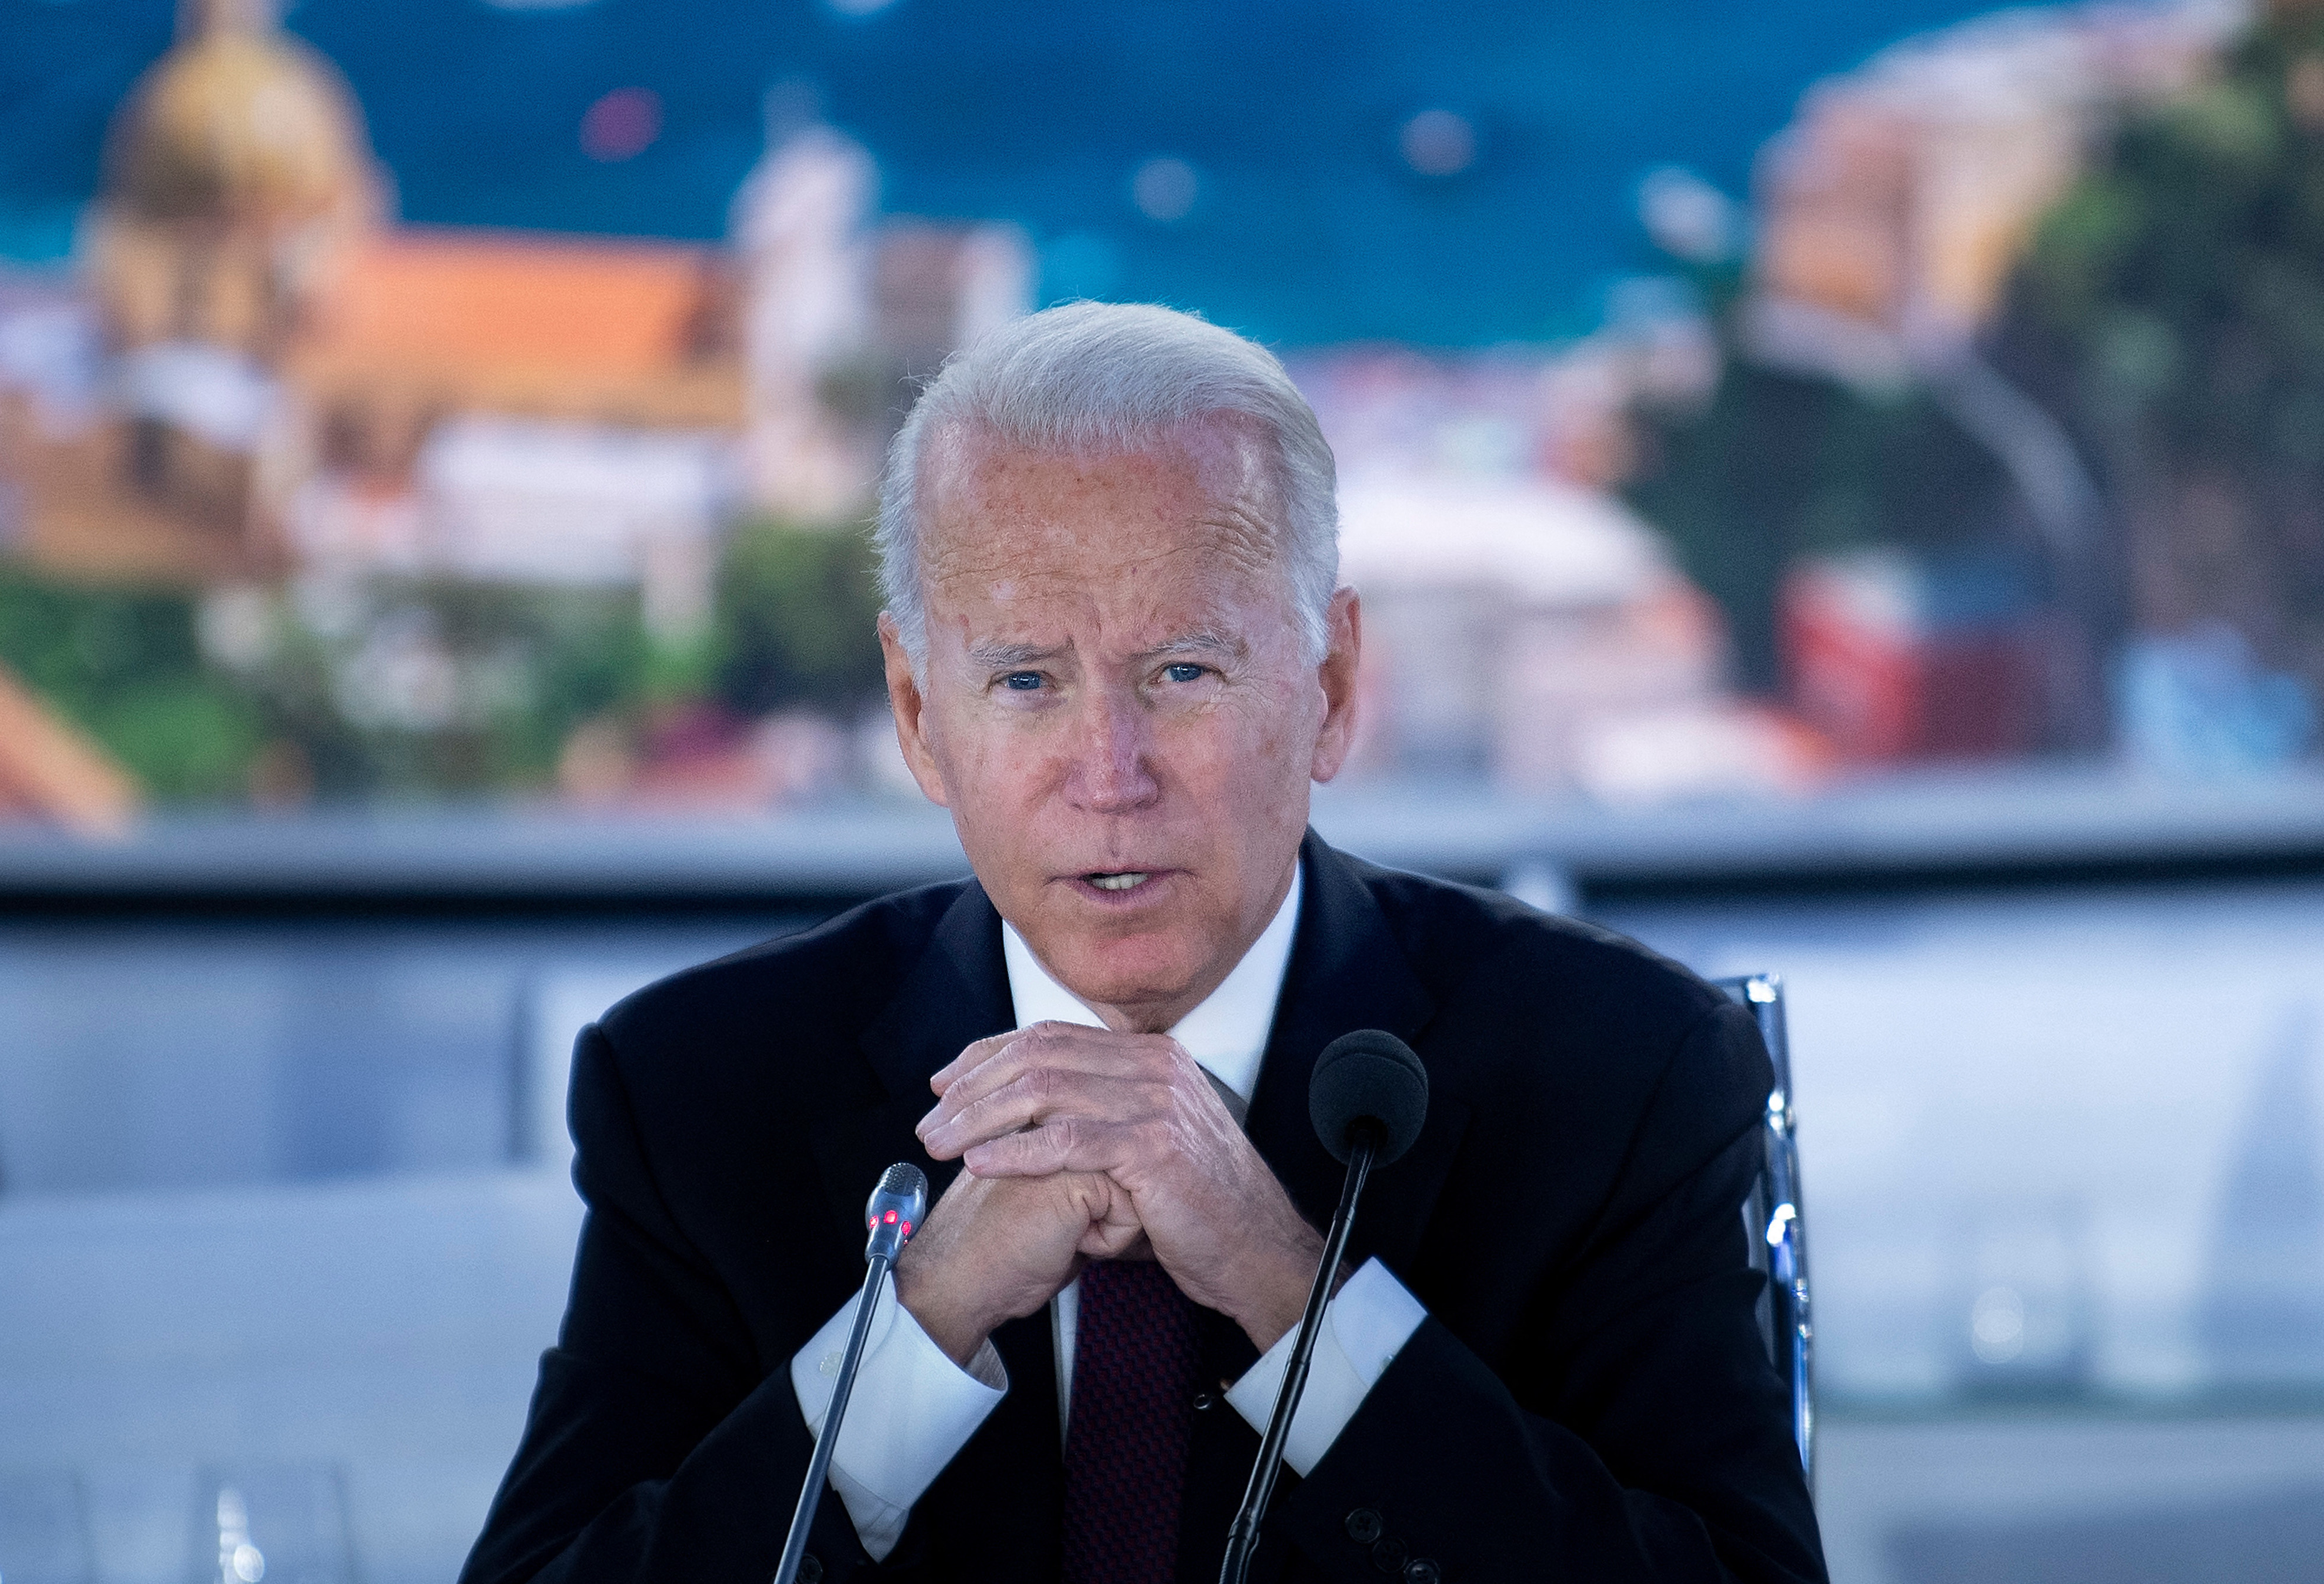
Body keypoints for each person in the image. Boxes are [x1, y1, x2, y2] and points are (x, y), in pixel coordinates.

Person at [461, 303, 1827, 1584]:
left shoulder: (1622, 1074)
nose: (1109, 773)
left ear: (1332, 689)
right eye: (1025, 681)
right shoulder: (700, 1089)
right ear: (919, 714)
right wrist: (922, 1320)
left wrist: (1290, 1285)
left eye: (1183, 670)